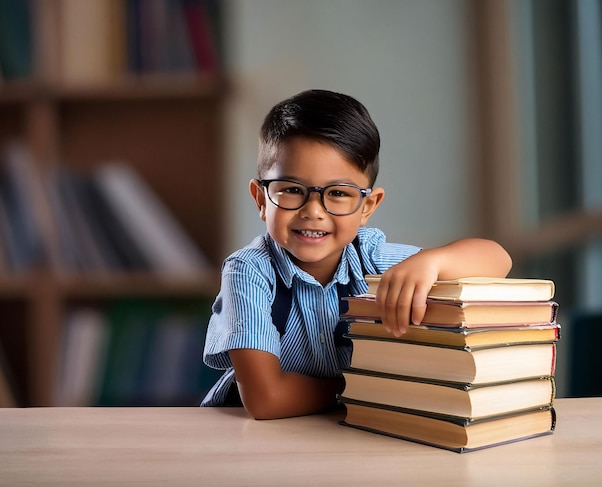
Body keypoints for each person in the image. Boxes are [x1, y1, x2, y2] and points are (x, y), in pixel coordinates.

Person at [201, 89, 512, 419]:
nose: (313, 211)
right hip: (254, 440)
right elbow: (268, 400)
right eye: (292, 190)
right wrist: (378, 388)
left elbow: (499, 260)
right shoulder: (248, 271)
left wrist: (433, 261)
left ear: (367, 206)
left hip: (351, 425)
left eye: (337, 193)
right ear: (261, 199)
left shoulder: (371, 256)